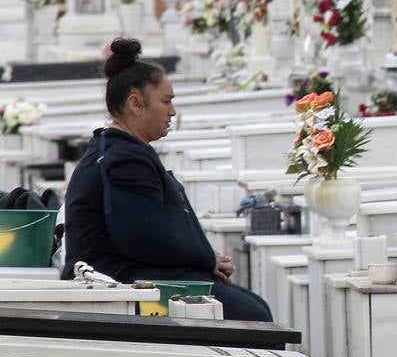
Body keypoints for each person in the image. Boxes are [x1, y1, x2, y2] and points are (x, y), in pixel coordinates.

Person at [62, 38, 273, 321]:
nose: (172, 111)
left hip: (125, 277)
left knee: (252, 305)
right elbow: (144, 236)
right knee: (251, 316)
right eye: (166, 101)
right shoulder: (124, 159)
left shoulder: (121, 149)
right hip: (116, 287)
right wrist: (206, 259)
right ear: (136, 103)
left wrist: (204, 260)